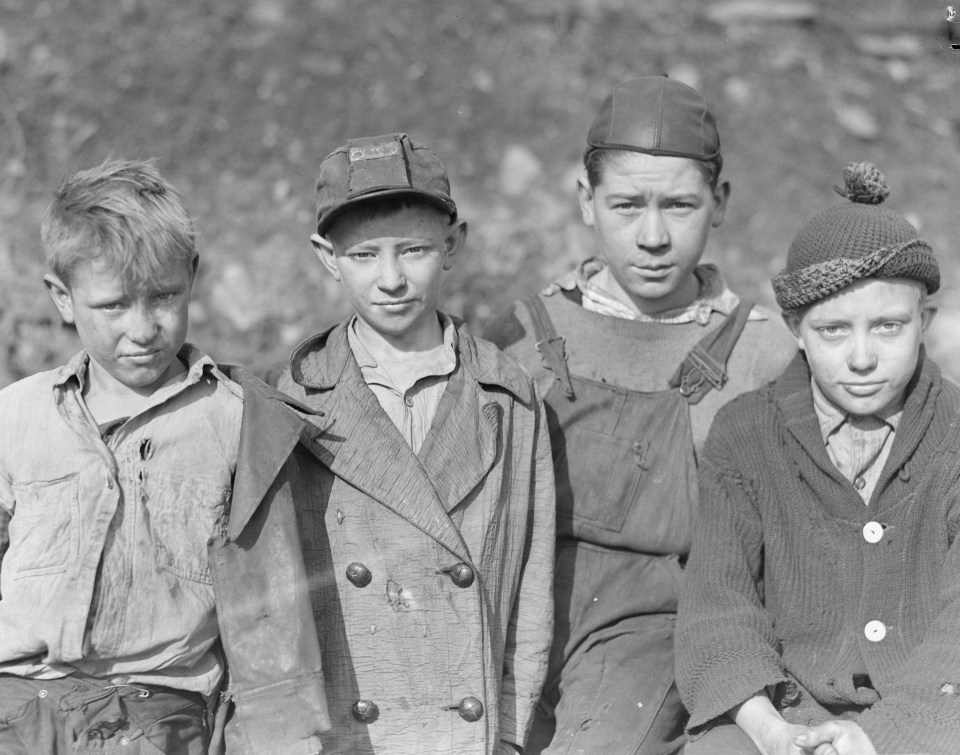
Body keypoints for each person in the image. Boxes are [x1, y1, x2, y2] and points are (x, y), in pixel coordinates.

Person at [484, 76, 797, 754]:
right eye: (626, 205)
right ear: (585, 201)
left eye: (679, 205)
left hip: (663, 641)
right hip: (519, 622)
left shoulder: (763, 352)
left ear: (719, 203)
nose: (652, 236)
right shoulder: (519, 339)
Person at [0, 159, 329, 754]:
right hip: (17, 708)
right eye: (113, 306)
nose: (143, 327)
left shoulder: (238, 421)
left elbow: (269, 612)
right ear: (63, 298)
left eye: (163, 297)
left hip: (153, 716)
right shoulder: (16, 416)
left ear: (193, 278)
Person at [272, 132, 556, 754]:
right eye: (364, 255)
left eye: (415, 250)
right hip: (352, 731)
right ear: (327, 257)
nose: (392, 279)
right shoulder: (293, 400)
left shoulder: (506, 397)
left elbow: (530, 586)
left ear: (453, 244)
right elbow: (275, 601)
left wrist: (506, 735)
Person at [676, 162, 960, 755]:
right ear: (796, 329)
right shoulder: (747, 432)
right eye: (833, 330)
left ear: (925, 323)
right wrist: (776, 732)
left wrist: (882, 737)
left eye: (887, 326)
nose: (862, 358)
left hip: (934, 712)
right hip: (782, 709)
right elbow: (718, 603)